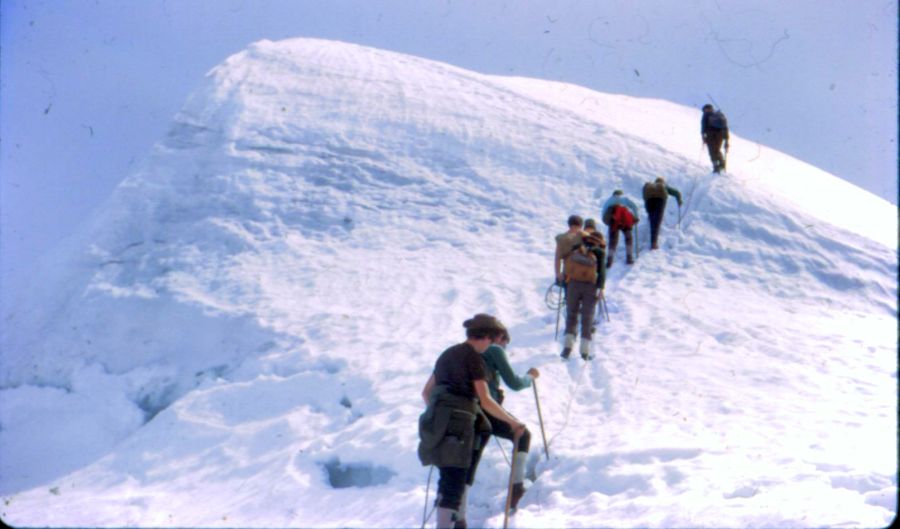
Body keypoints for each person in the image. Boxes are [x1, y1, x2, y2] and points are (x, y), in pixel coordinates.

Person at [419, 314, 527, 529]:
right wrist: (512, 423)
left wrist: (441, 414)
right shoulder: (474, 359)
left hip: (437, 423)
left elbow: (426, 393)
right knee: (456, 479)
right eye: (493, 340)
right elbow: (485, 400)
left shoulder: (446, 354)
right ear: (485, 337)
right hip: (461, 423)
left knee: (447, 478)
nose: (492, 345)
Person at [478, 329, 539, 512]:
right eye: (505, 343)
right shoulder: (494, 350)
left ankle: (459, 515)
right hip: (487, 406)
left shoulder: (469, 352)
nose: (504, 347)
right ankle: (516, 488)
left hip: (468, 409)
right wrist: (531, 376)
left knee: (472, 457)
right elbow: (514, 383)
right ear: (499, 338)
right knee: (522, 435)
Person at [560, 230, 606, 359]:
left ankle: (567, 348)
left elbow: (567, 262)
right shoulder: (600, 252)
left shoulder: (578, 246)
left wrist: (565, 283)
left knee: (571, 314)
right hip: (590, 287)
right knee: (587, 317)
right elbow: (602, 272)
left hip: (573, 284)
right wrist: (601, 288)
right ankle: (584, 351)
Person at [641, 177, 683, 250]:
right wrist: (679, 201)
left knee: (652, 220)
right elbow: (676, 193)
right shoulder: (663, 186)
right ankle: (654, 243)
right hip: (660, 200)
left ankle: (653, 240)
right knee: (657, 221)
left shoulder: (650, 188)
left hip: (649, 201)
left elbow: (645, 197)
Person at [601, 190, 639, 268]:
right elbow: (634, 206)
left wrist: (608, 221)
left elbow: (604, 214)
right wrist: (636, 216)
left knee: (613, 241)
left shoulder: (609, 201)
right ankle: (629, 257)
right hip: (624, 220)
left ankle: (609, 260)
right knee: (628, 238)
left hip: (613, 221)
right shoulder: (624, 199)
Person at [554, 215, 584, 287]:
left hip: (568, 272)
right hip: (583, 273)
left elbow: (557, 258)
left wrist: (558, 273)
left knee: (568, 296)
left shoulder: (561, 238)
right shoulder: (584, 237)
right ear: (580, 226)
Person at [701, 103, 730, 173]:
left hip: (710, 135)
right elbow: (725, 128)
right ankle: (722, 164)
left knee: (712, 151)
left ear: (705, 109)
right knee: (717, 149)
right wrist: (726, 140)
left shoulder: (706, 115)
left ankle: (716, 167)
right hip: (720, 135)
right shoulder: (720, 115)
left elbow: (703, 127)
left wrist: (703, 137)